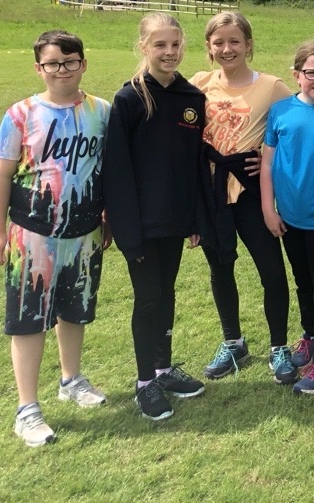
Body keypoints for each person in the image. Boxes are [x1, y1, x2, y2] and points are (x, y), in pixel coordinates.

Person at [0, 30, 109, 446]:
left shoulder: (101, 111)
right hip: (31, 234)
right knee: (29, 318)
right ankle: (27, 409)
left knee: (75, 310)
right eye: (53, 63)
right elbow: (1, 176)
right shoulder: (20, 114)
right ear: (39, 68)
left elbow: (107, 170)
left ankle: (71, 379)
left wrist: (107, 215)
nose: (62, 70)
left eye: (70, 61)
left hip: (84, 232)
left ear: (83, 64)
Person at [104, 12, 213, 421]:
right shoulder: (129, 99)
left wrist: (196, 219)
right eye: (160, 45)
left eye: (175, 44)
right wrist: (127, 232)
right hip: (140, 226)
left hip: (174, 221)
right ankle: (144, 382)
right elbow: (116, 171)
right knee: (148, 299)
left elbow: (194, 164)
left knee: (166, 294)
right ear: (144, 47)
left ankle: (164, 370)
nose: (169, 52)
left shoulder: (191, 98)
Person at [189, 13, 297, 385]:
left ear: (248, 45)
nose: (227, 49)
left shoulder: (271, 87)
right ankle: (233, 342)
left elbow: (298, 124)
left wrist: (270, 157)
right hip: (212, 192)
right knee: (220, 268)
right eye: (218, 42)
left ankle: (279, 346)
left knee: (272, 271)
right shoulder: (198, 84)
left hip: (252, 192)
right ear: (209, 47)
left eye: (234, 41)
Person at [261, 39, 314, 395]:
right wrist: (269, 209)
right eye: (311, 72)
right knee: (304, 282)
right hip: (290, 219)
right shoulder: (280, 111)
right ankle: (312, 337)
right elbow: (267, 163)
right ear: (296, 74)